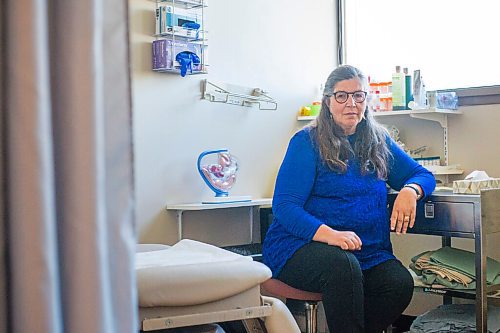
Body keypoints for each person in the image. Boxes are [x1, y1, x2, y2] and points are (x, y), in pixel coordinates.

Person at [262, 65, 436, 332]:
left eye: (358, 96)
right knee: (342, 268)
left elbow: (421, 174)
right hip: (299, 247)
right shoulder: (306, 142)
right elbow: (285, 207)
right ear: (328, 102)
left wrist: (410, 190)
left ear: (367, 101)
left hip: (366, 253)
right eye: (342, 96)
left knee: (399, 283)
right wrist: (330, 234)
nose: (351, 104)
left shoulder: (379, 141)